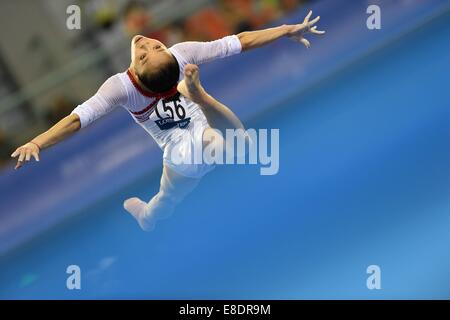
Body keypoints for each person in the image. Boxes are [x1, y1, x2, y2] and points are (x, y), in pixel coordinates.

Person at [11, 11, 324, 231]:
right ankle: (149, 213)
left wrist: (285, 29)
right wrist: (38, 141)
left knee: (210, 151)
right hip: (177, 153)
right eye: (147, 51)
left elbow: (238, 41)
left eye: (153, 48)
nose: (146, 44)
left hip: (202, 135)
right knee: (168, 198)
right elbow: (77, 119)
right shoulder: (122, 86)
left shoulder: (174, 57)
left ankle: (199, 100)